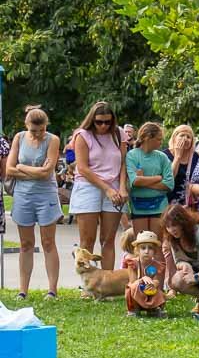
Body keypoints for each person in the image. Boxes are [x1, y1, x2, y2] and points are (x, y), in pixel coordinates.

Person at [6, 107, 63, 299]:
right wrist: (33, 170)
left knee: (48, 242)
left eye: (42, 130)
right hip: (23, 195)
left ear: (46, 126)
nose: (38, 134)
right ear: (26, 126)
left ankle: (52, 290)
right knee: (26, 243)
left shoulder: (53, 140)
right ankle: (23, 290)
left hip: (46, 194)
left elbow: (47, 173)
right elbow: (9, 169)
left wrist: (21, 167)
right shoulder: (19, 138)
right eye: (34, 131)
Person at [70, 101, 128, 271]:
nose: (104, 126)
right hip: (88, 186)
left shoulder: (119, 134)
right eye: (99, 122)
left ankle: (107, 283)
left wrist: (122, 187)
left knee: (108, 239)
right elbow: (82, 168)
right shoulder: (83, 135)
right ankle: (87, 285)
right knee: (87, 240)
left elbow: (124, 162)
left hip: (115, 186)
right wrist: (107, 189)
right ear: (92, 120)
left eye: (108, 122)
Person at [125, 122, 174, 242]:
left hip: (160, 206)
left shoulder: (162, 157)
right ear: (147, 138)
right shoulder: (132, 155)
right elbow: (135, 181)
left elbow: (169, 184)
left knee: (158, 245)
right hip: (138, 206)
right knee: (141, 245)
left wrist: (143, 181)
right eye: (158, 139)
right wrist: (158, 178)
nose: (160, 142)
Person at [123, 230, 167, 318]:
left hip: (149, 289)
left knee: (158, 292)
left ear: (154, 251)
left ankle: (153, 309)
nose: (147, 251)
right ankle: (134, 309)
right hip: (137, 288)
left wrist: (154, 283)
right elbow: (132, 282)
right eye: (143, 248)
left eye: (150, 248)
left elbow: (157, 280)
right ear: (137, 250)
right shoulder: (133, 263)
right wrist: (143, 279)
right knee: (132, 288)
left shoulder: (156, 265)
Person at [166, 125, 199, 206]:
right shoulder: (164, 155)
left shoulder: (195, 156)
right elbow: (169, 178)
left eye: (188, 137)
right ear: (174, 138)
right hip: (169, 204)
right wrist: (177, 157)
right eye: (182, 135)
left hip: (190, 203)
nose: (185, 139)